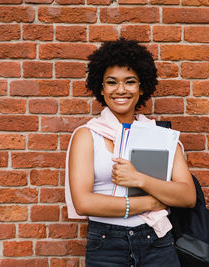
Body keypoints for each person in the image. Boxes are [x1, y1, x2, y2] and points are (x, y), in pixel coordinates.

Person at [65, 38, 196, 267]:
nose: (121, 90)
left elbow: (187, 196)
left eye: (130, 82)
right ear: (102, 88)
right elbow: (84, 203)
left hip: (156, 242)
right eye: (112, 82)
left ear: (142, 87)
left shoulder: (160, 136)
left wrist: (139, 179)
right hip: (106, 245)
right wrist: (150, 203)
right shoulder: (87, 135)